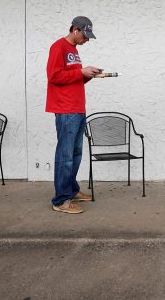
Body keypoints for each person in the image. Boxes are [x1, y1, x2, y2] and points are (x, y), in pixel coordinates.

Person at [46, 16, 102, 214]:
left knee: (76, 154)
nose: (86, 40)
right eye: (85, 36)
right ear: (75, 29)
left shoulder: (74, 51)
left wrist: (88, 76)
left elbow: (72, 79)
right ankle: (61, 200)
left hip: (78, 108)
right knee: (66, 155)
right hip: (66, 109)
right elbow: (54, 77)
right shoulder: (58, 47)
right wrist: (81, 72)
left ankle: (71, 189)